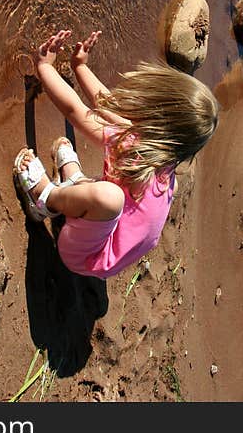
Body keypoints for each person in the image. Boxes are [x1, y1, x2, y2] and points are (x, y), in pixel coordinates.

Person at [14, 29, 219, 279]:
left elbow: (75, 111)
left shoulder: (133, 148)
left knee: (109, 197)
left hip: (83, 257)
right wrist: (79, 66)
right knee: (111, 195)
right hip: (107, 243)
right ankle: (75, 182)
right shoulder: (162, 160)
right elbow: (108, 105)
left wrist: (44, 67)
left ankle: (47, 199)